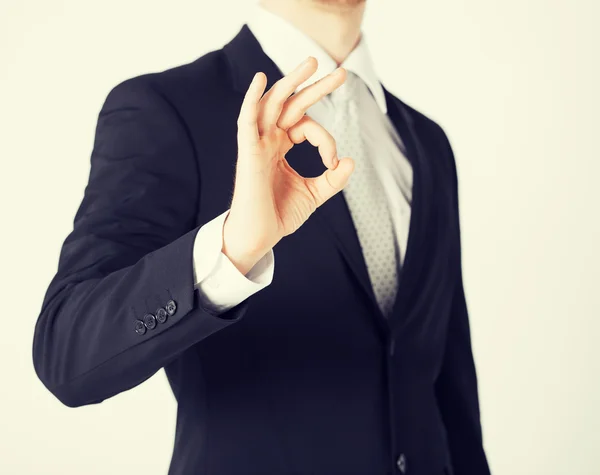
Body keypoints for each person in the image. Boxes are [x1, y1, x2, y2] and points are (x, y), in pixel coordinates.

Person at [32, 0, 491, 474]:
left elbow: (451, 385)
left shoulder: (428, 142)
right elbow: (66, 355)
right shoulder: (166, 109)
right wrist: (231, 249)